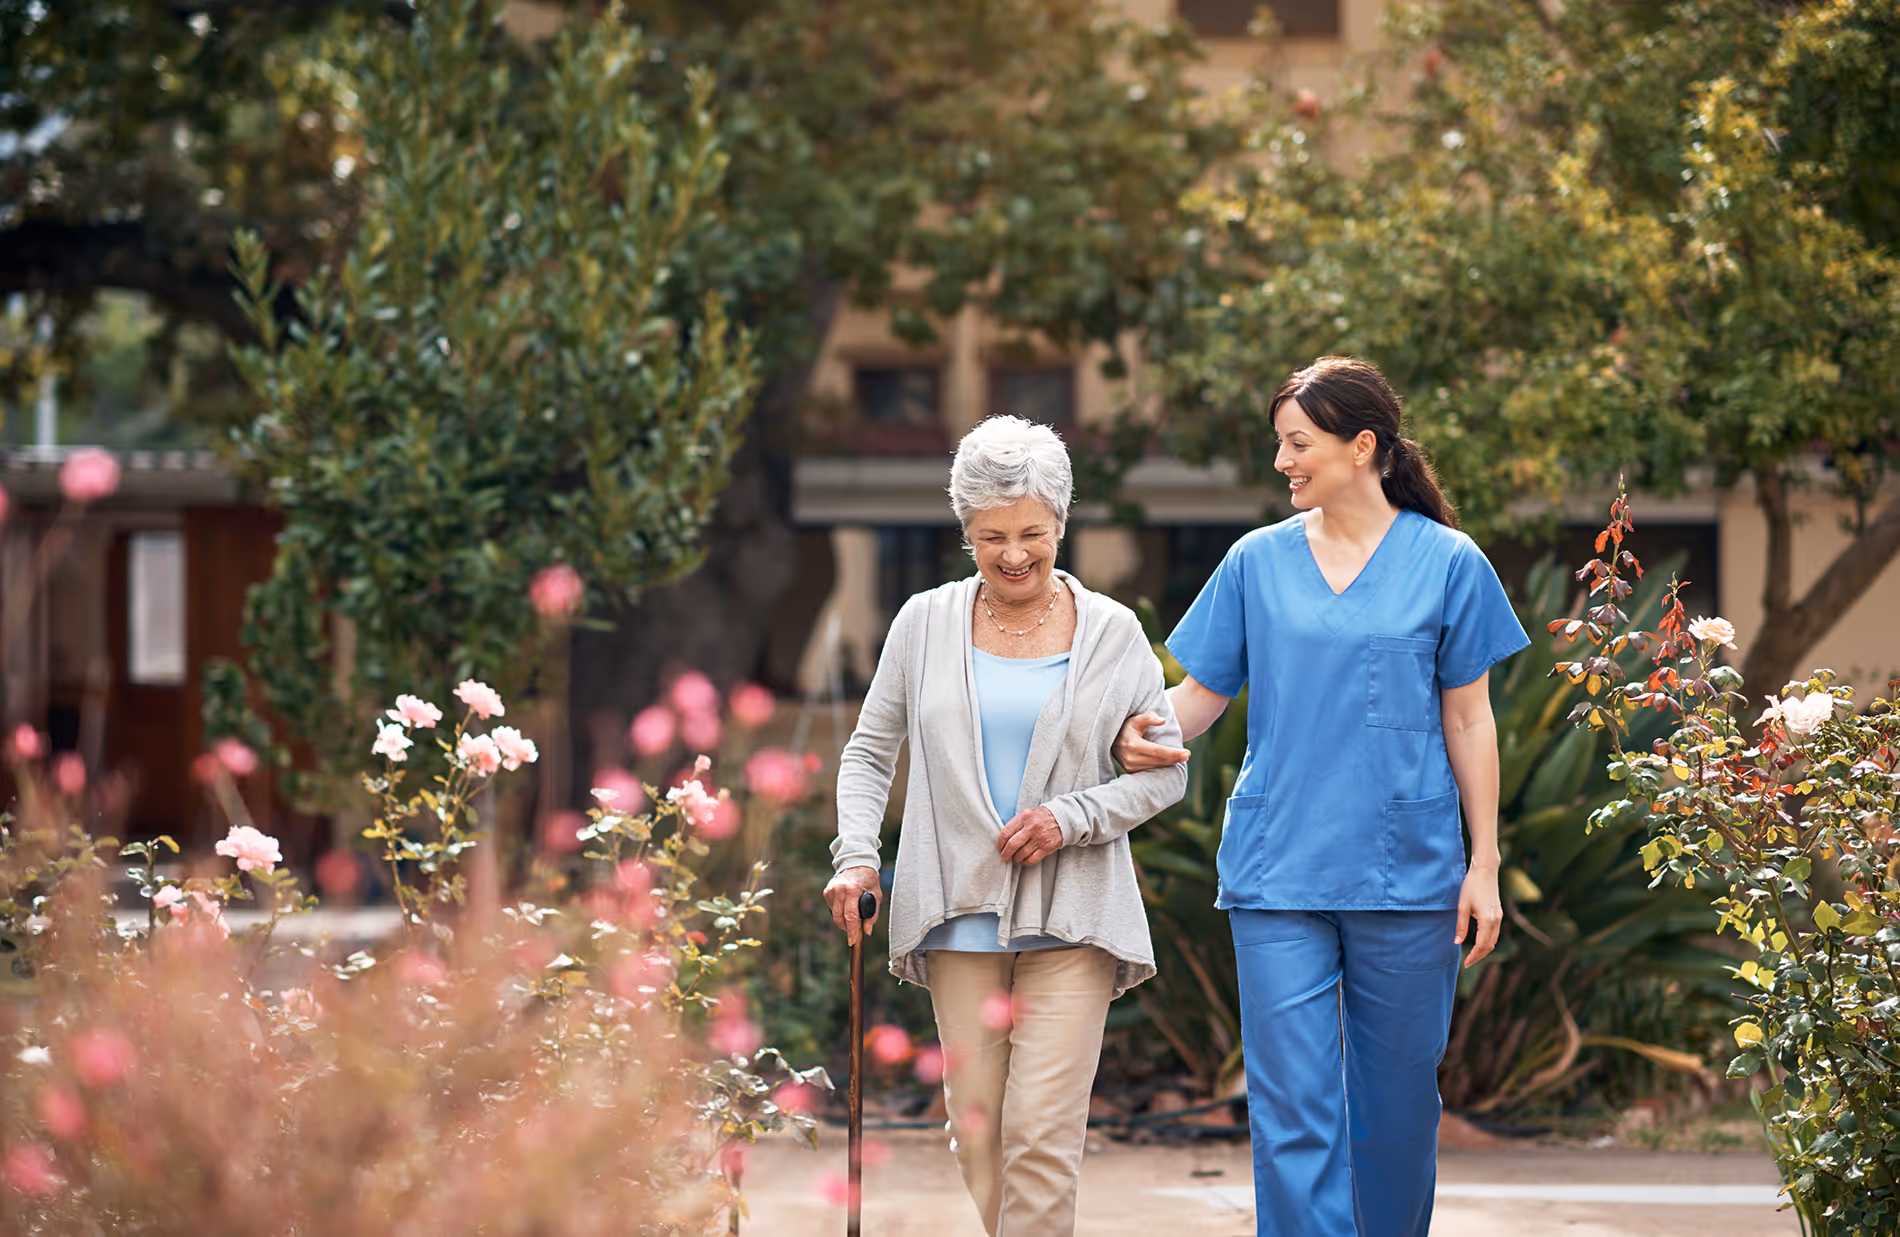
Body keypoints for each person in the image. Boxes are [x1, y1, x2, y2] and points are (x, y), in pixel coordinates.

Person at [1113, 356, 1528, 1237]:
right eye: (1280, 445)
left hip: (1408, 874)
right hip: (1279, 870)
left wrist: (1484, 863)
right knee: (1292, 1112)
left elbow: (1470, 722)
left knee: (1398, 1115)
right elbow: (1197, 697)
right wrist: (1127, 736)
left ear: (1362, 446)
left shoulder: (1449, 563)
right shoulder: (1254, 563)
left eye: (1297, 444)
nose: (1282, 463)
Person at [825, 414, 1188, 1236]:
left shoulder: (1112, 632)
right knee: (980, 1132)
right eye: (992, 536)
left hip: (1074, 916)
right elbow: (868, 753)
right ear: (966, 532)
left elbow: (1166, 778)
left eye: (1032, 532)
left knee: (1042, 1135)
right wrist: (857, 858)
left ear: (1061, 522)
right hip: (957, 915)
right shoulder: (923, 623)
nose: (1014, 553)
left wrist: (1072, 817)